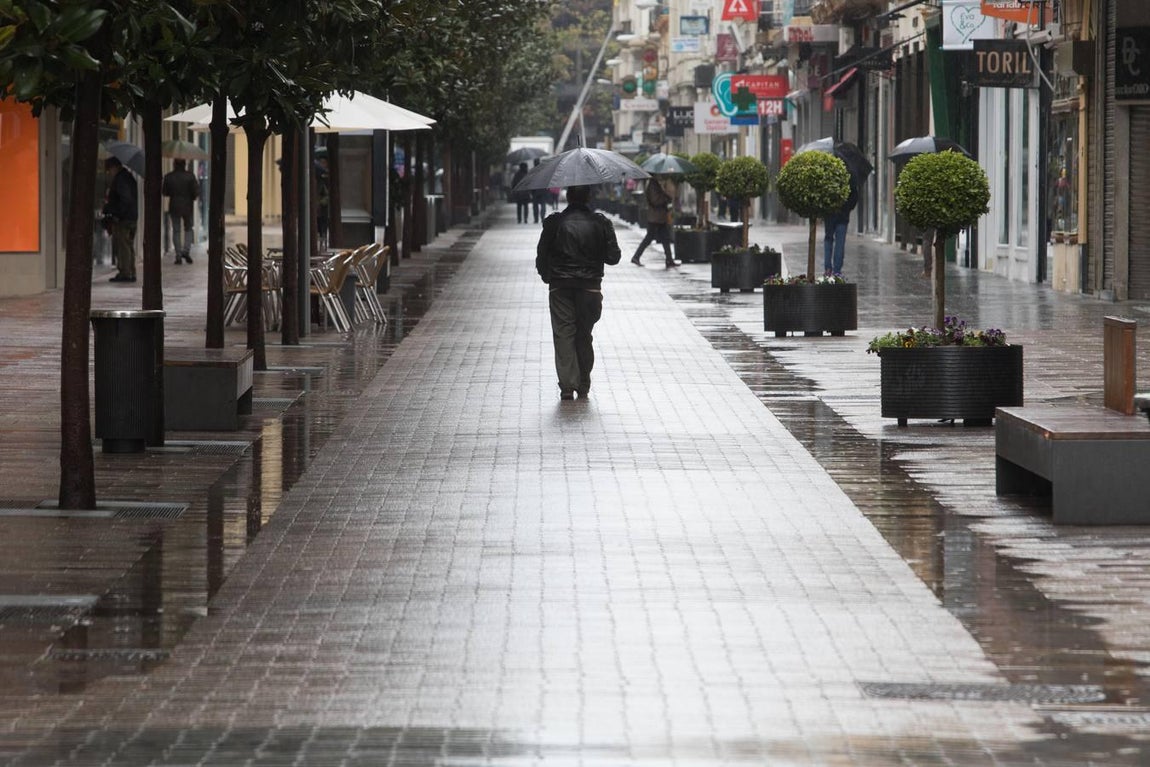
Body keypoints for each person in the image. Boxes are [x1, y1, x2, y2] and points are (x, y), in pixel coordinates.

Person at [535, 185, 621, 400]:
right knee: (584, 335)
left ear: (569, 196)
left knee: (563, 334)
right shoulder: (601, 223)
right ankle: (583, 382)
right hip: (590, 288)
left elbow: (541, 255)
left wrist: (549, 276)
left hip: (560, 286)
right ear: (589, 197)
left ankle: (567, 385)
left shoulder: (554, 223)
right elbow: (614, 257)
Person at [102, 156, 138, 282]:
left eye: (109, 170)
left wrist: (117, 213)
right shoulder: (128, 177)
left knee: (123, 245)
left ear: (114, 167)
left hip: (124, 218)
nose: (109, 173)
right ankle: (129, 271)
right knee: (128, 245)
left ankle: (126, 272)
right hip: (131, 216)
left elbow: (125, 199)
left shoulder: (121, 179)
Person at [630, 176, 678, 268]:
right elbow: (655, 200)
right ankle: (636, 257)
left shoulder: (654, 183)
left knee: (665, 238)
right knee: (649, 238)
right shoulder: (652, 184)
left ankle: (669, 260)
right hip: (655, 217)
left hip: (659, 217)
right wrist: (666, 198)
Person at [162, 158, 199, 264]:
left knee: (176, 230)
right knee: (188, 229)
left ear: (174, 165)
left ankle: (178, 254)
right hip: (187, 206)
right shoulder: (190, 176)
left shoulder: (168, 177)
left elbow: (165, 192)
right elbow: (196, 192)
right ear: (184, 165)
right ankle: (186, 251)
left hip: (174, 206)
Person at [823, 173, 859, 276]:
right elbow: (855, 195)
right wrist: (847, 208)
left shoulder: (829, 172)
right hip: (843, 215)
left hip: (829, 213)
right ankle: (837, 271)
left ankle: (827, 269)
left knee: (828, 239)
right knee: (840, 242)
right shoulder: (849, 173)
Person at [531, 159, 549, 223]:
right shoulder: (544, 170)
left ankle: (536, 219)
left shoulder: (532, 171)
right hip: (543, 190)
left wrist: (531, 191)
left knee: (535, 206)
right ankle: (542, 218)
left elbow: (530, 182)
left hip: (535, 191)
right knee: (543, 204)